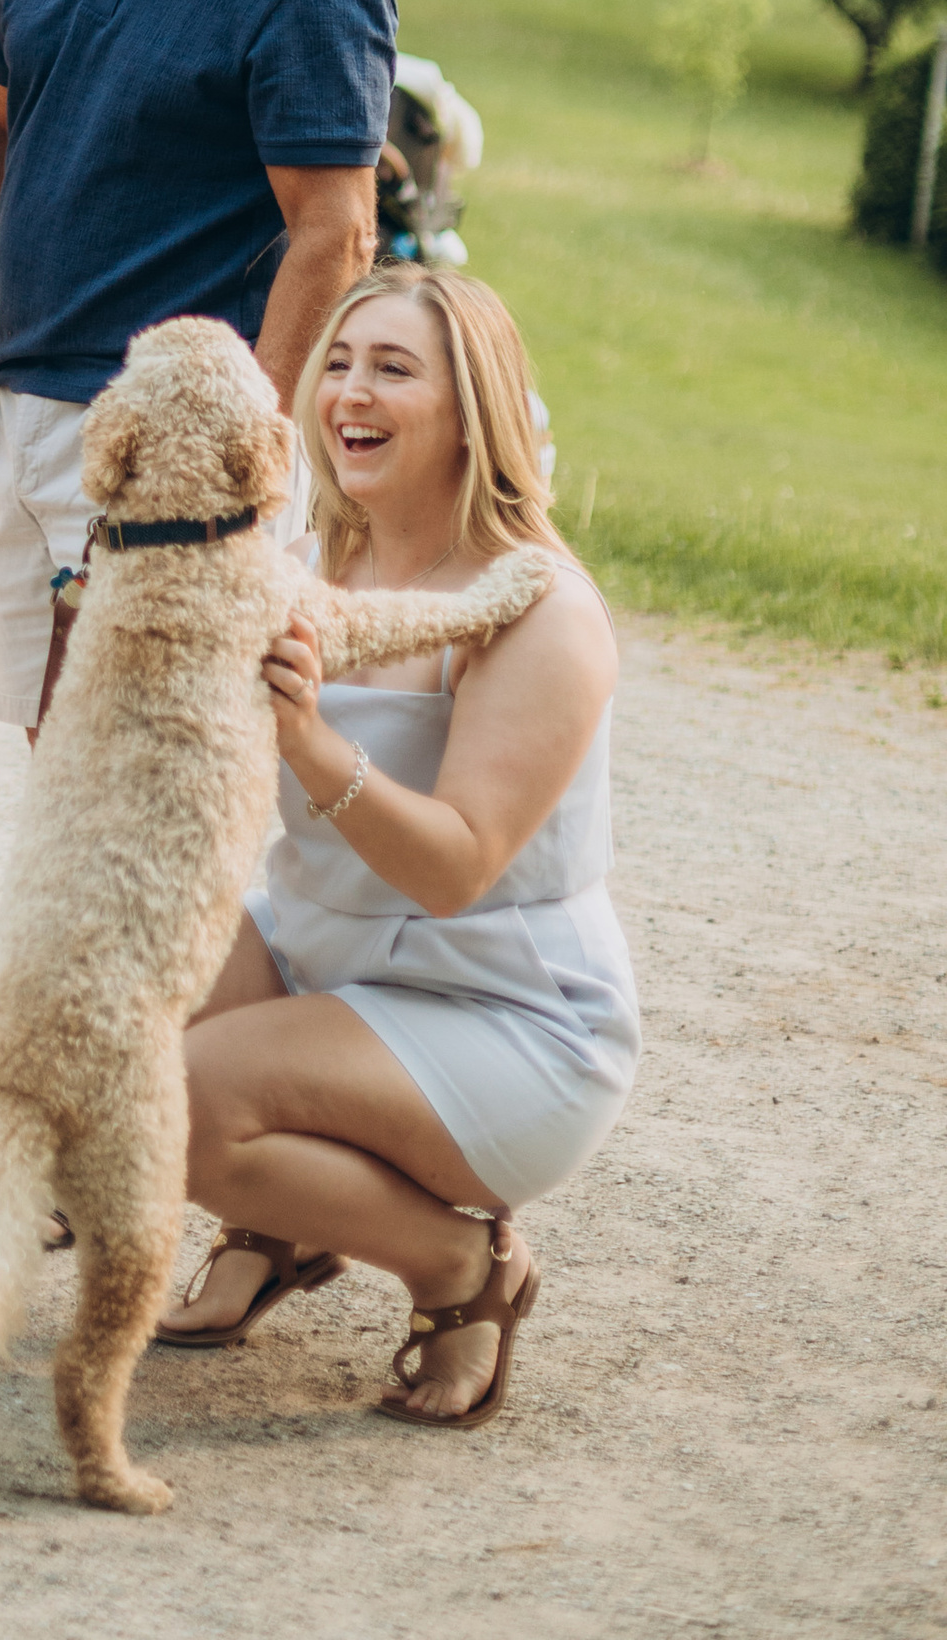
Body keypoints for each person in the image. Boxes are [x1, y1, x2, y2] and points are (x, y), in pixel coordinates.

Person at [0, 0, 394, 1172]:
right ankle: (58, 1088)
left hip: (181, 462)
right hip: (38, 404)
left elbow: (336, 234)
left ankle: (73, 1119)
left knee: (138, 794)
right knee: (60, 771)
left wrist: (249, 446)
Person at [161, 267, 636, 1427]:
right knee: (120, 997)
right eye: (338, 362)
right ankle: (271, 1226)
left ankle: (462, 1273)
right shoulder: (320, 559)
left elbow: (457, 863)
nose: (347, 394)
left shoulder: (539, 610)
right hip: (334, 953)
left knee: (173, 1103)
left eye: (392, 368)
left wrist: (312, 745)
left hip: (500, 1013)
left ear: (472, 410)